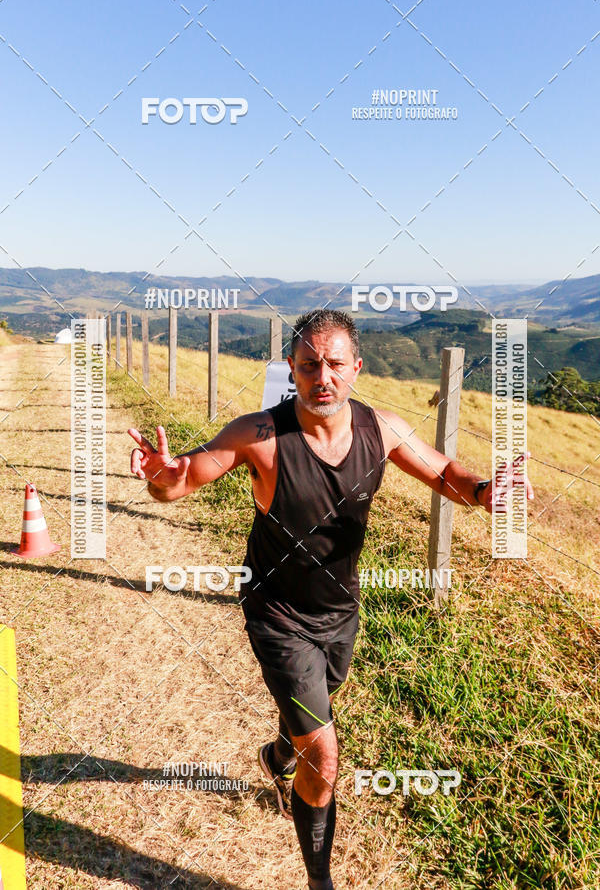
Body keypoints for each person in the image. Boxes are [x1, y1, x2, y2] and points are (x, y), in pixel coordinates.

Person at [128, 308, 533, 889]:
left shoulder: (381, 429)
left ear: (356, 368)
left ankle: (277, 756)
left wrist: (487, 492)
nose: (324, 376)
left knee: (313, 717)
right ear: (292, 368)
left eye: (335, 364)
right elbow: (182, 481)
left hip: (341, 610)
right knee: (325, 755)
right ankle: (321, 880)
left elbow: (444, 473)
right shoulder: (260, 436)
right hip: (276, 612)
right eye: (310, 364)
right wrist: (162, 475)